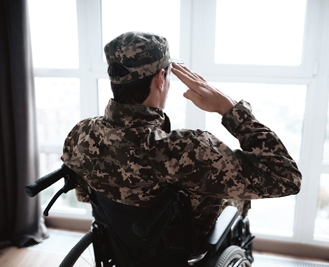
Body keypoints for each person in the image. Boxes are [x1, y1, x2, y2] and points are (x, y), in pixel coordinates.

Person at [61, 31, 302, 263]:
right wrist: (229, 108)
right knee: (233, 198)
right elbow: (286, 177)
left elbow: (84, 194)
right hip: (178, 252)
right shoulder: (186, 150)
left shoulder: (82, 133)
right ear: (159, 79)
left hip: (120, 246)